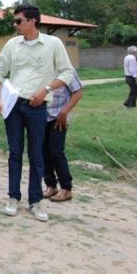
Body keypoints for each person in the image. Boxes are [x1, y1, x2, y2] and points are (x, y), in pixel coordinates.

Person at [0, 5, 74, 222]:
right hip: (14, 106)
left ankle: (35, 201)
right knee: (14, 152)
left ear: (33, 21)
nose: (15, 25)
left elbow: (67, 72)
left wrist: (47, 89)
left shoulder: (53, 44)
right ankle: (13, 198)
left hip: (38, 107)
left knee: (37, 154)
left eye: (18, 21)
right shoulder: (12, 45)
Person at [42, 70, 83, 203]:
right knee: (43, 151)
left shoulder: (67, 70)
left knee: (56, 151)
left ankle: (66, 188)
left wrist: (65, 112)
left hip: (59, 117)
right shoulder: (43, 65)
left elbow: (77, 92)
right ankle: (51, 185)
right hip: (42, 116)